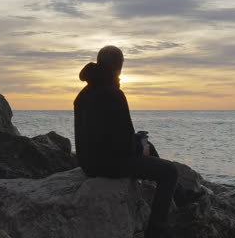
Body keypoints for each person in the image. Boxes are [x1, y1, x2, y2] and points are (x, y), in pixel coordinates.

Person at [74, 45, 178, 238]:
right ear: (119, 67)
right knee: (170, 172)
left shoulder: (83, 95)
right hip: (109, 165)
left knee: (148, 145)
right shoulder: (113, 94)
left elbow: (103, 135)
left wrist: (138, 142)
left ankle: (174, 199)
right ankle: (157, 230)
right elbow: (122, 146)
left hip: (88, 163)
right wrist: (140, 148)